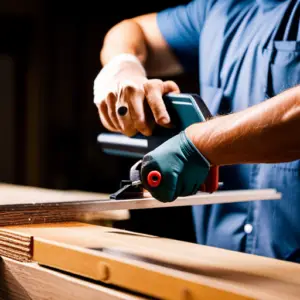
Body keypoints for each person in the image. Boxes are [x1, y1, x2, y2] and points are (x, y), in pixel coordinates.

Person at [93, 0, 300, 262]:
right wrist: (123, 68)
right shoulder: (219, 8)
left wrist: (197, 145)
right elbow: (132, 31)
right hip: (222, 270)